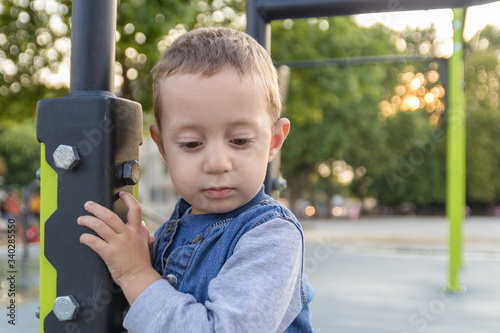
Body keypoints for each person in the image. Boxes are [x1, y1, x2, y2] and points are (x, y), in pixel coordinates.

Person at [78, 27, 315, 332]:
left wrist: (136, 274)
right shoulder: (169, 234)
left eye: (240, 141)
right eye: (191, 143)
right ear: (162, 146)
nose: (217, 163)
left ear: (273, 141)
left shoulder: (271, 237)